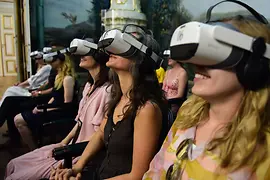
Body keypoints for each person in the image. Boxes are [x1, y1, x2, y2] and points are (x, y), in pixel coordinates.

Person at [143, 16, 270, 180]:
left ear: (254, 66)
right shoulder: (188, 115)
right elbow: (154, 171)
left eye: (215, 55)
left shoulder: (262, 150)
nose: (198, 65)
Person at [51, 27, 168, 180]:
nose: (113, 49)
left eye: (124, 46)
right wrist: (76, 167)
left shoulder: (147, 109)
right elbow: (100, 134)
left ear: (140, 59)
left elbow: (137, 175)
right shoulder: (118, 98)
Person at [5, 41, 111, 180]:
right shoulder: (88, 87)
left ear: (99, 57)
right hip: (71, 144)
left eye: (87, 53)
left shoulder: (107, 91)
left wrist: (69, 151)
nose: (81, 56)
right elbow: (79, 122)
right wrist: (63, 142)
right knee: (12, 164)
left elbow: (99, 134)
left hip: (80, 151)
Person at [12, 52, 77, 151]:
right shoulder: (59, 76)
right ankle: (34, 149)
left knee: (18, 120)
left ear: (60, 61)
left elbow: (67, 105)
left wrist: (45, 109)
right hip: (53, 109)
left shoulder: (68, 78)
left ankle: (34, 150)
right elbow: (55, 96)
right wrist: (44, 106)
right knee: (18, 118)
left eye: (53, 61)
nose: (50, 64)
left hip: (61, 112)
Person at [162, 50, 188, 119]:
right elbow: (163, 89)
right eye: (168, 57)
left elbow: (180, 95)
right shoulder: (168, 72)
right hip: (163, 103)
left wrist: (166, 100)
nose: (168, 58)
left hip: (174, 105)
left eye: (171, 57)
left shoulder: (182, 73)